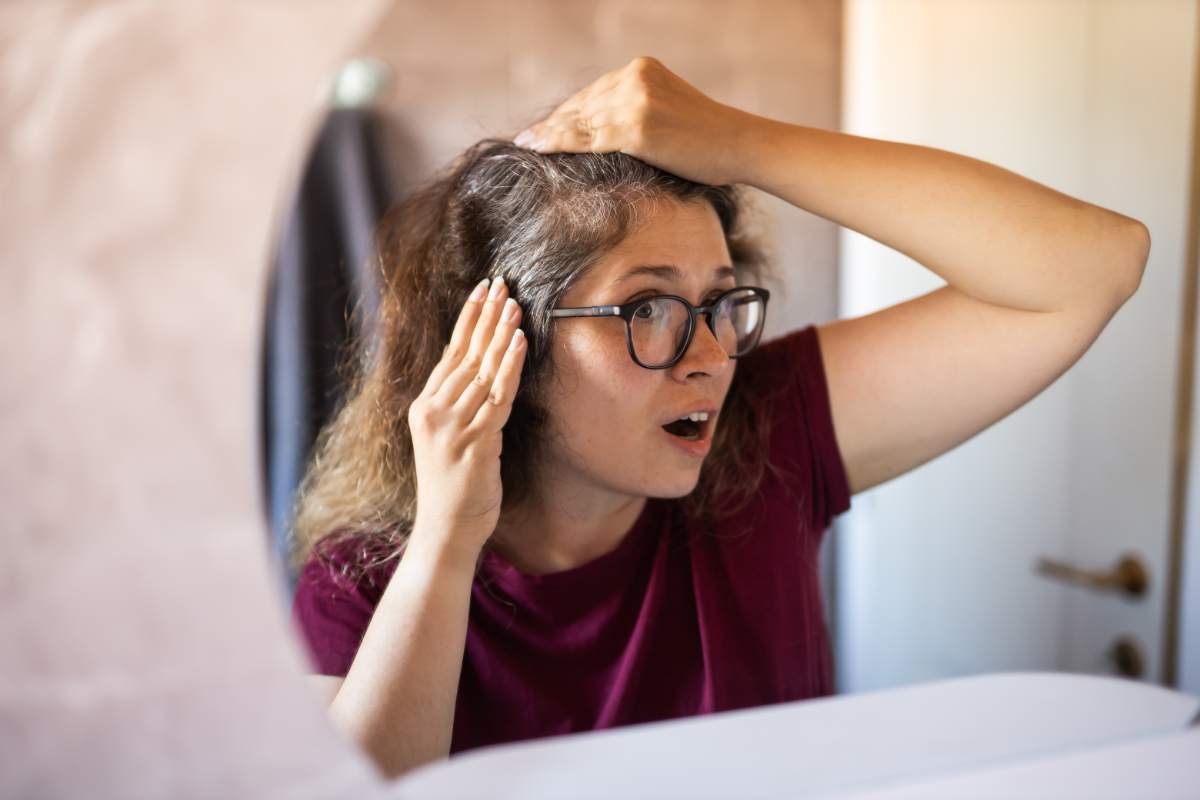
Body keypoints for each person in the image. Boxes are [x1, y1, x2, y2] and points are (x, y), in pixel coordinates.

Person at [288, 57, 1149, 780]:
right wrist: (447, 540)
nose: (709, 356)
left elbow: (1093, 266)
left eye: (720, 303)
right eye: (649, 309)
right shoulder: (364, 581)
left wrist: (744, 142)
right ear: (508, 350)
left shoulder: (766, 437)